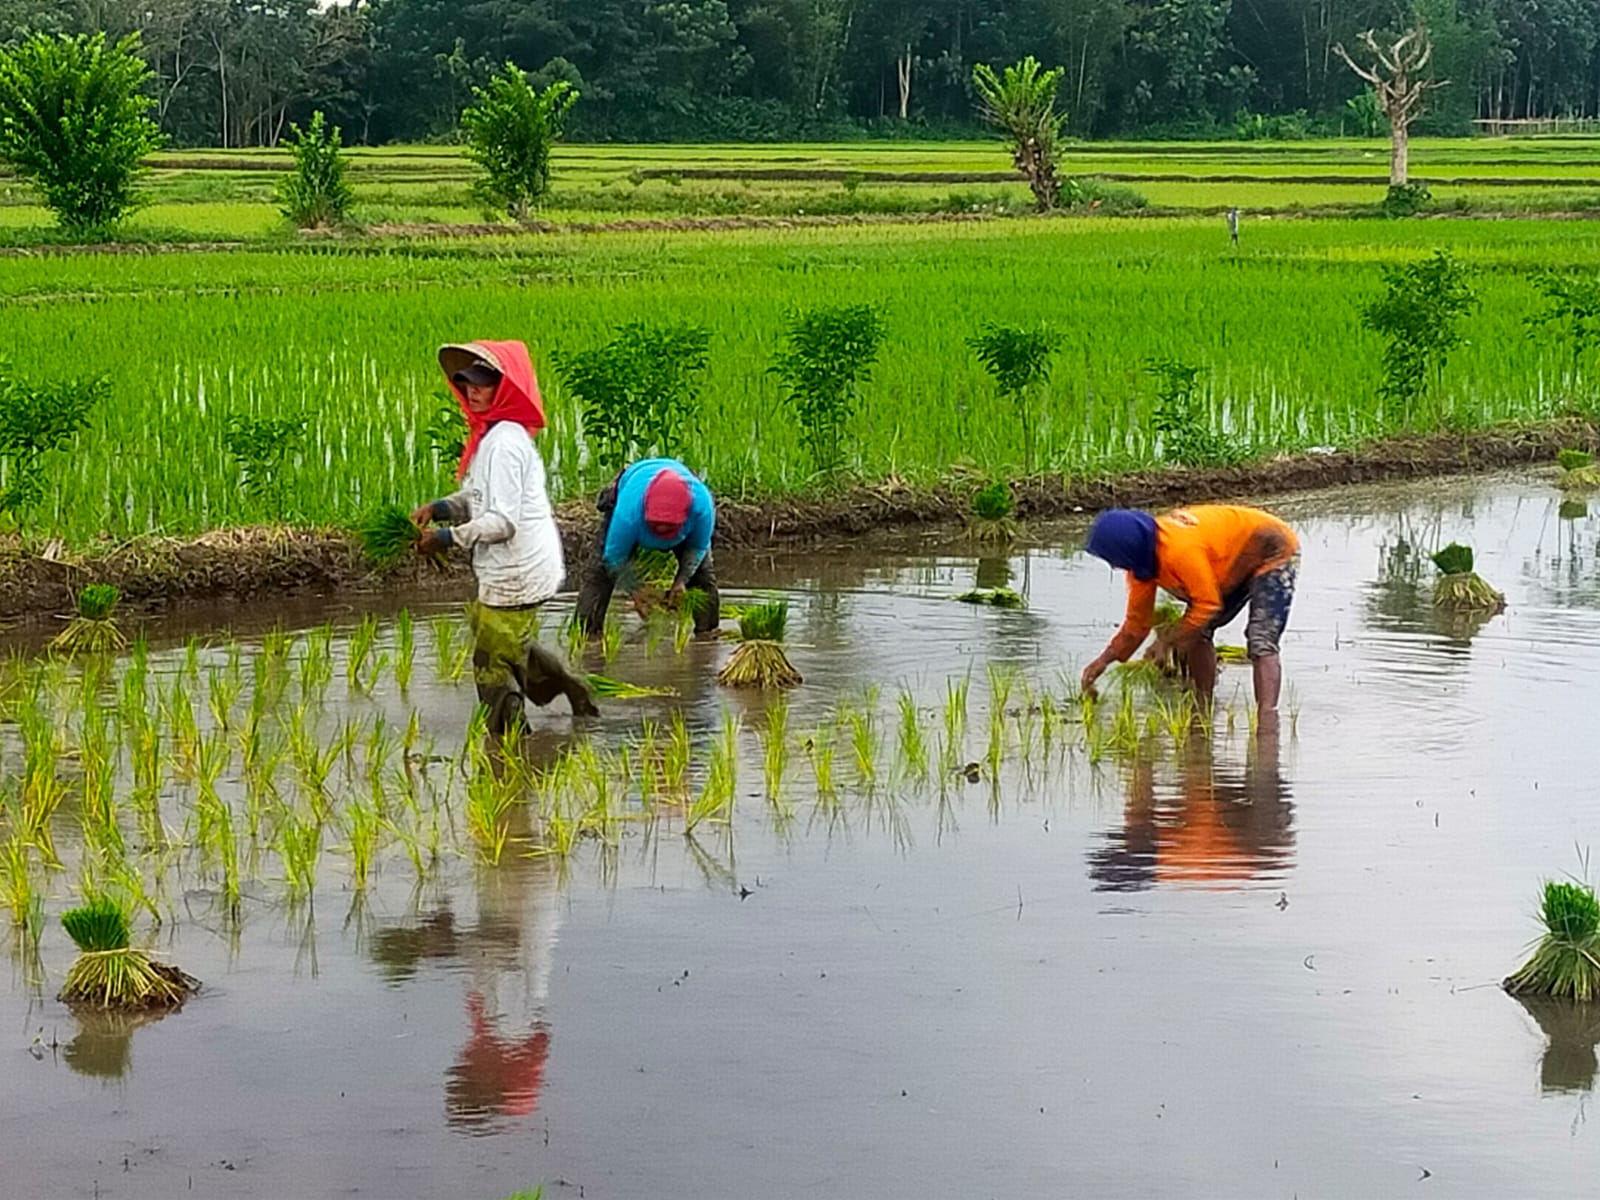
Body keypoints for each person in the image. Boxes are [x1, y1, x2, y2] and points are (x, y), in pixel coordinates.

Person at [412, 340, 597, 733]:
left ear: (505, 389)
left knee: (491, 662)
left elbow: (501, 522)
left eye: (483, 383)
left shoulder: (506, 444)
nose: (472, 391)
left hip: (518, 570)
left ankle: (509, 747)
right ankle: (570, 687)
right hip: (511, 567)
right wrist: (441, 507)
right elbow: (480, 497)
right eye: (466, 384)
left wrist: (445, 538)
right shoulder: (491, 436)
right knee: (503, 640)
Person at [1080, 504, 1298, 718]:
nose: (1115, 567)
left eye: (1113, 559)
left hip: (1273, 548)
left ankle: (1267, 720)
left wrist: (1167, 642)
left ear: (1126, 551)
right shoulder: (1142, 565)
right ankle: (1202, 704)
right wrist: (1102, 662)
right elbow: (1136, 626)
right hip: (1229, 563)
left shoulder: (1179, 550)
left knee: (1261, 638)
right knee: (1199, 632)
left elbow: (1207, 605)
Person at [573, 457, 719, 637]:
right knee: (599, 573)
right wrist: (635, 589)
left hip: (684, 522)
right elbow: (614, 557)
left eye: (668, 527)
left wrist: (681, 581)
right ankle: (586, 636)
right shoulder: (629, 513)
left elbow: (697, 548)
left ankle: (708, 634)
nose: (662, 531)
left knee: (702, 577)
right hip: (633, 486)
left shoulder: (702, 508)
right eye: (656, 525)